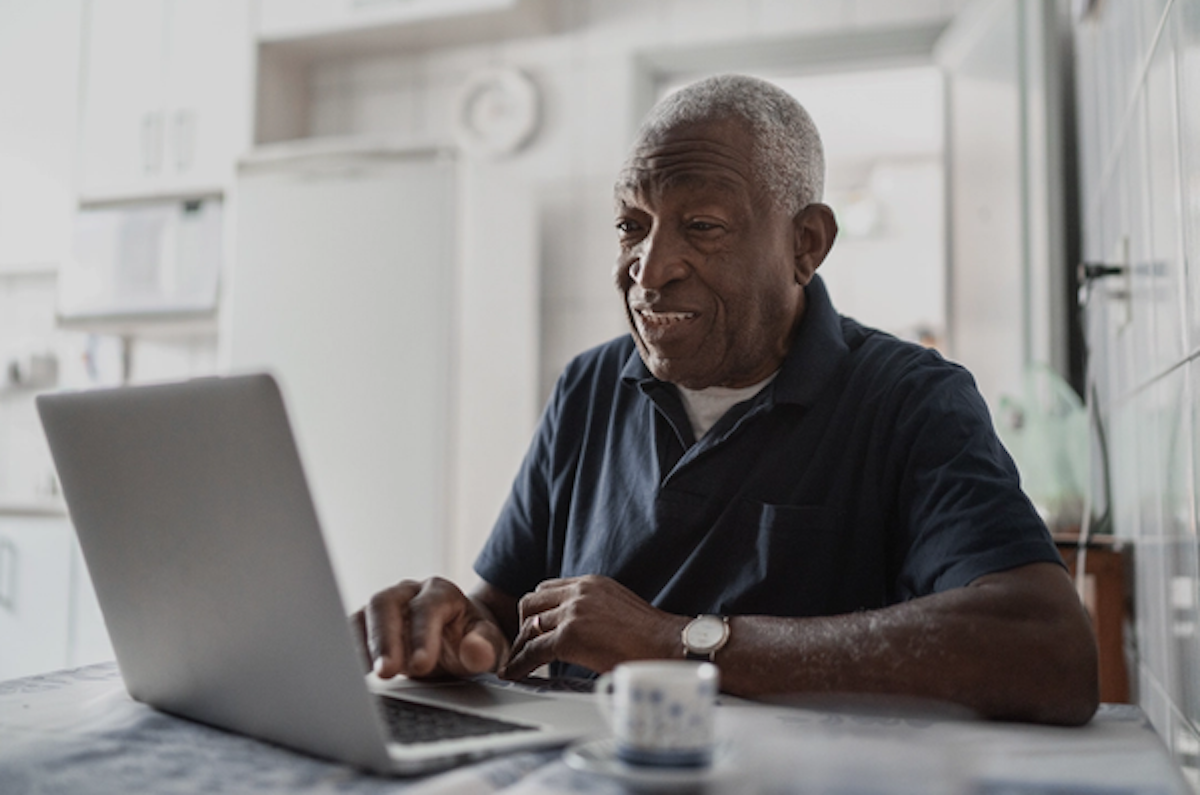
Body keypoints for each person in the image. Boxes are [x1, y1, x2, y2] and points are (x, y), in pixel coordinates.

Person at [353, 74, 1099, 726]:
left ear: (806, 244)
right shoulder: (588, 386)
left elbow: (1047, 649)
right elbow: (502, 616)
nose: (649, 270)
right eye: (631, 226)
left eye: (701, 227)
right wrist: (450, 635)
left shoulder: (911, 400)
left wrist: (678, 643)